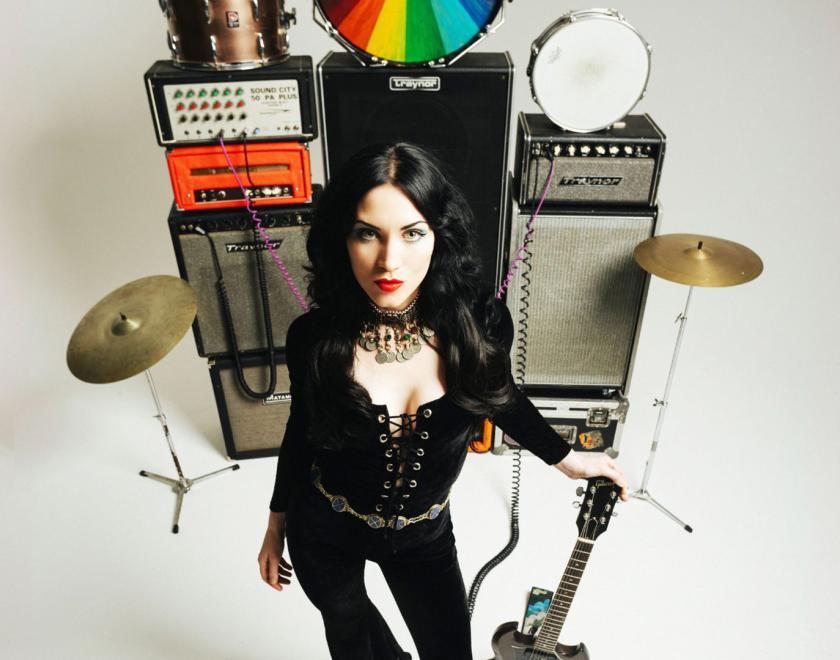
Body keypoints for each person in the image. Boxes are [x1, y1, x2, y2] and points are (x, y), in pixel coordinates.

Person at [257, 142, 629, 660]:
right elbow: (301, 431)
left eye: (412, 233)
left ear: (438, 236)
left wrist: (568, 461)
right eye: (368, 233)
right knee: (351, 638)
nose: (390, 260)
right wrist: (276, 524)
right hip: (324, 530)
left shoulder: (481, 324)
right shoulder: (313, 338)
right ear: (343, 238)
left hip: (422, 536)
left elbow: (502, 397)